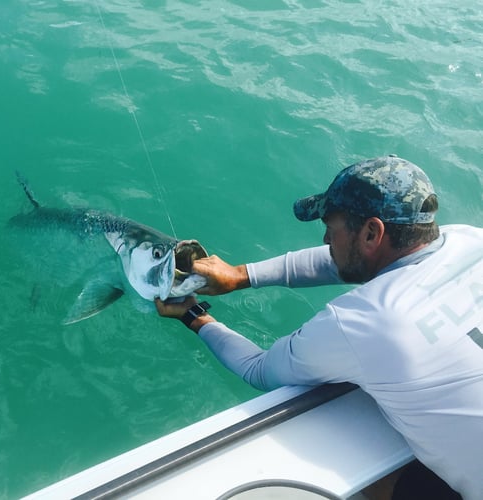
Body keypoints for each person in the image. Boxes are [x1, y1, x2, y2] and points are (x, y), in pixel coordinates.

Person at [155, 155, 483, 499]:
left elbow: (259, 370)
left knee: (351, 446)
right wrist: (241, 275)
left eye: (331, 225)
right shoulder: (467, 239)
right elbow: (342, 262)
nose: (326, 238)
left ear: (372, 232)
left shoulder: (368, 321)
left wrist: (193, 315)